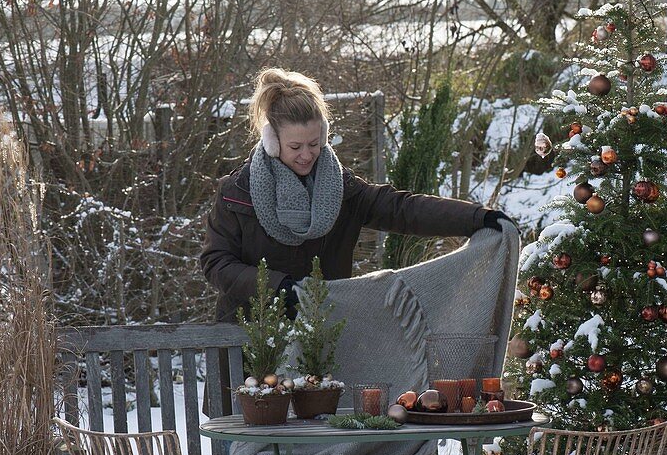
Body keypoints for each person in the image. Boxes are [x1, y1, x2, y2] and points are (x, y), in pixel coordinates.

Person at [201, 69, 513, 411]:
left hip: (322, 348)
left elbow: (400, 208)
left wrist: (476, 217)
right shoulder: (237, 193)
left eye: (314, 144)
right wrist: (280, 288)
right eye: (295, 146)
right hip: (251, 351)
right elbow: (216, 262)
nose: (306, 155)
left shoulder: (339, 189)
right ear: (271, 140)